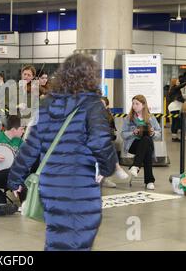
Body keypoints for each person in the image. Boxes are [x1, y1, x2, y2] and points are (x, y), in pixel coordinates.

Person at [7, 54, 117, 251]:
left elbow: (31, 145)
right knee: (79, 238)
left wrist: (15, 178)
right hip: (80, 183)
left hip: (51, 184)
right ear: (90, 76)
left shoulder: (47, 104)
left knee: (57, 235)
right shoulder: (92, 105)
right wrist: (107, 168)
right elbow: (100, 142)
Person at [121, 95, 161, 190]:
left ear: (143, 105)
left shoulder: (151, 117)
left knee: (146, 142)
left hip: (145, 145)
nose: (134, 106)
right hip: (133, 144)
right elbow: (123, 134)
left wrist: (153, 132)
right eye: (133, 103)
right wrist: (132, 132)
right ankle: (149, 181)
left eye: (137, 104)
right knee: (147, 143)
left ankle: (136, 166)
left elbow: (159, 132)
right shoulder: (129, 118)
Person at [99, 97, 129, 188]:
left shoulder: (109, 117)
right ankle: (116, 167)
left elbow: (112, 132)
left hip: (103, 141)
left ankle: (104, 179)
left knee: (108, 146)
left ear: (107, 106)